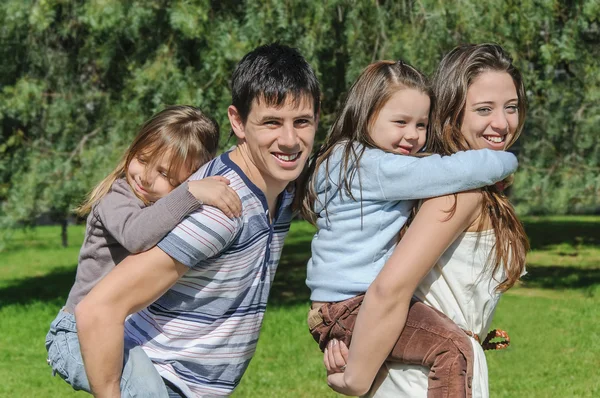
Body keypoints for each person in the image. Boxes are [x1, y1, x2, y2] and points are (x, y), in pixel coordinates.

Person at [74, 43, 320, 398]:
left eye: (302, 122)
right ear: (237, 121)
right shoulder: (220, 211)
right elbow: (98, 309)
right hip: (162, 383)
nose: (289, 140)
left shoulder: (282, 186)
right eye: (271, 122)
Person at [301, 59, 519, 397]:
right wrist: (505, 162)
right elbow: (389, 290)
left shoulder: (363, 164)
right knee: (452, 347)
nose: (502, 122)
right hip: (418, 375)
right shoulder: (407, 178)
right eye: (484, 109)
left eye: (512, 107)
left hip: (376, 332)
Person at [45, 105, 242, 396]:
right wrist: (191, 194)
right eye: (142, 159)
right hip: (76, 334)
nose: (146, 177)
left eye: (164, 173)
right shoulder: (117, 197)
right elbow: (137, 235)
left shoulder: (160, 208)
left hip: (121, 333)